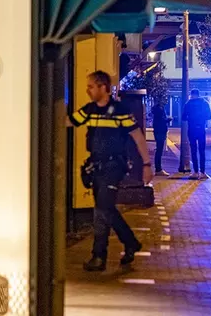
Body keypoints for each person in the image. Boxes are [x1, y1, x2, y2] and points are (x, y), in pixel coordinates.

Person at [69, 71, 152, 272]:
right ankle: (130, 242)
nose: (87, 90)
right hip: (96, 166)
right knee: (106, 209)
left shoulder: (120, 111)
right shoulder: (89, 110)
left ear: (103, 88)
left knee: (101, 210)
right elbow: (69, 121)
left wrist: (147, 165)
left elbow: (138, 137)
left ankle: (99, 256)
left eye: (91, 86)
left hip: (114, 166)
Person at [182, 89, 211, 179]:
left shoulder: (188, 104)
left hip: (192, 129)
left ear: (192, 95)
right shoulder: (205, 103)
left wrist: (191, 118)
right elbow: (209, 116)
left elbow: (183, 117)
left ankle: (195, 172)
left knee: (193, 150)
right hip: (201, 129)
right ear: (199, 95)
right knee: (202, 151)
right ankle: (203, 172)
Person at [151, 100, 171, 176]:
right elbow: (162, 120)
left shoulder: (156, 109)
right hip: (160, 131)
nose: (166, 101)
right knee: (159, 150)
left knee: (159, 150)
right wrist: (168, 119)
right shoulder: (160, 109)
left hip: (157, 130)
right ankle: (158, 169)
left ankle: (158, 169)